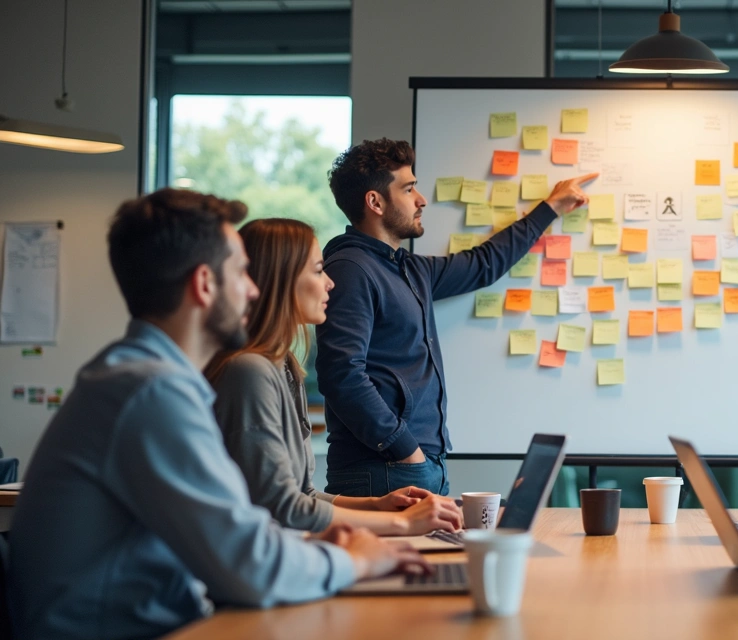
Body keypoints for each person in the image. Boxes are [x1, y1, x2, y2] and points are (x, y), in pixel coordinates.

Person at [8, 189, 429, 640]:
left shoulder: (143, 377)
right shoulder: (152, 392)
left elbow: (241, 535)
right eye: (241, 272)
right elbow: (250, 564)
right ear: (205, 284)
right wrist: (353, 561)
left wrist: (314, 548)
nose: (254, 289)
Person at [316, 138, 594, 496]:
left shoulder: (408, 269)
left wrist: (551, 207)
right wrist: (405, 448)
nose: (421, 200)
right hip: (384, 468)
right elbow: (342, 374)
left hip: (414, 464)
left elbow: (483, 264)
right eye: (409, 189)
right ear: (375, 202)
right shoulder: (352, 269)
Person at [206, 218, 463, 536]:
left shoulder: (286, 366)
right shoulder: (249, 372)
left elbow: (304, 495)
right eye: (318, 271)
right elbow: (282, 507)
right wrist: (404, 522)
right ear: (282, 279)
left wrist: (377, 504)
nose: (330, 283)